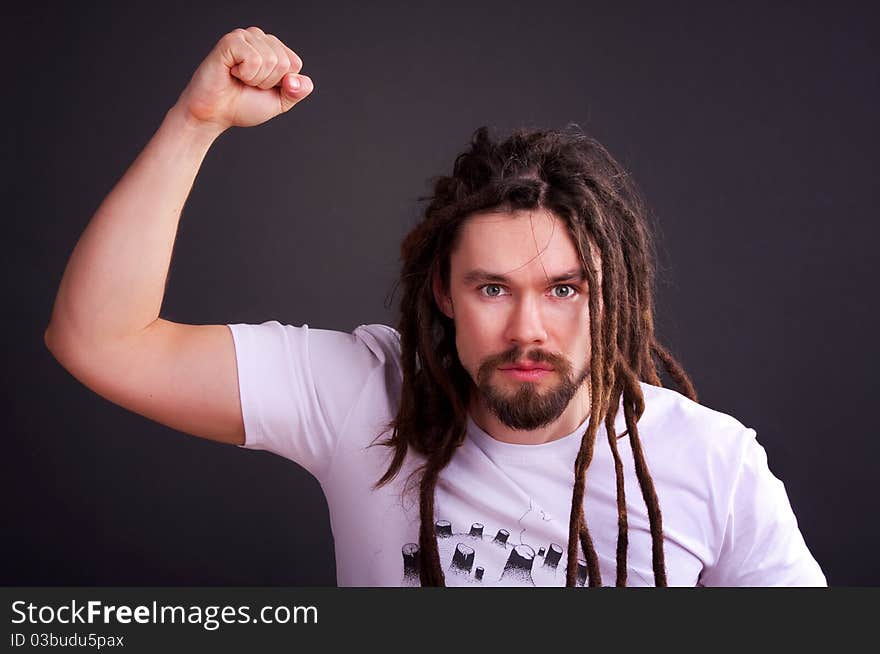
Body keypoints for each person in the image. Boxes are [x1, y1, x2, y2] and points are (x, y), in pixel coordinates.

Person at [44, 27, 826, 587]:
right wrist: (196, 123)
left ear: (609, 293)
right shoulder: (365, 394)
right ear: (444, 293)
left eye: (565, 289)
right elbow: (100, 338)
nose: (529, 328)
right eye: (493, 288)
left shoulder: (713, 461)